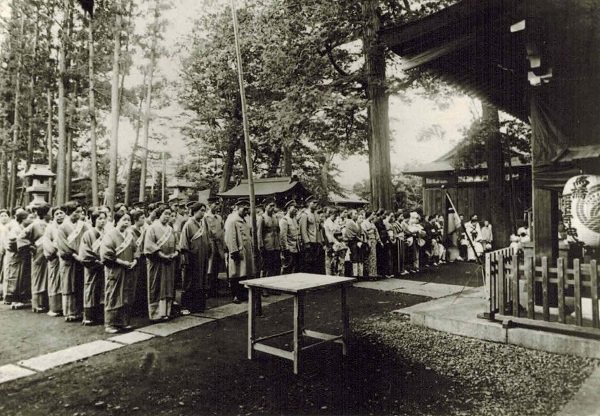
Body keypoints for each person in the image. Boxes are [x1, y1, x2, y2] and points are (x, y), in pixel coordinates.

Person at [100, 210, 138, 333]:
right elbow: (106, 254)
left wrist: (135, 261)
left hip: (128, 270)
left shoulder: (130, 235)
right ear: (117, 221)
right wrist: (121, 262)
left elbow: (136, 249)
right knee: (114, 294)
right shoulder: (110, 235)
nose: (127, 222)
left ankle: (124, 322)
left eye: (128, 220)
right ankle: (110, 324)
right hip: (115, 269)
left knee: (126, 294)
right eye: (124, 220)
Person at [144, 205, 178, 321]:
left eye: (169, 214)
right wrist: (161, 255)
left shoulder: (170, 228)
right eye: (165, 214)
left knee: (168, 286)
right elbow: (149, 245)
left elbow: (177, 243)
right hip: (157, 262)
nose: (168, 216)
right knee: (157, 285)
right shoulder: (152, 228)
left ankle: (167, 312)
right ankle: (156, 314)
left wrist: (176, 252)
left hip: (169, 262)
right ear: (159, 214)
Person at [56, 201, 89, 322]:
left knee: (80, 283)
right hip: (70, 260)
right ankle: (70, 312)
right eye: (77, 212)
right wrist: (75, 255)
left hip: (82, 259)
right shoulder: (62, 228)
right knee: (69, 284)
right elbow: (62, 245)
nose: (79, 214)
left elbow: (88, 239)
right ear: (69, 213)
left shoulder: (84, 225)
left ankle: (80, 310)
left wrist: (85, 254)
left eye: (80, 212)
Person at [179, 202, 211, 314]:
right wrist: (185, 257)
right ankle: (186, 306)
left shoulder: (203, 223)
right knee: (190, 280)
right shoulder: (188, 224)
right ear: (195, 211)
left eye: (204, 210)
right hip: (192, 256)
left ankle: (199, 305)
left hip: (203, 256)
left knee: (201, 280)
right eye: (201, 210)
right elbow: (183, 243)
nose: (203, 213)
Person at [79, 209, 107, 325]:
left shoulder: (107, 233)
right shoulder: (88, 234)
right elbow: (84, 252)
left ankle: (101, 314)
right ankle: (89, 316)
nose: (102, 221)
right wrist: (96, 260)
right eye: (99, 218)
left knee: (103, 289)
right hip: (93, 266)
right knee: (91, 288)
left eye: (104, 218)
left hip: (105, 265)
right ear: (94, 220)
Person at [22, 204, 51, 313]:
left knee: (46, 276)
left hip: (47, 253)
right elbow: (21, 237)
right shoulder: (34, 225)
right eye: (49, 212)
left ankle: (45, 302)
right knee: (38, 276)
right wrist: (30, 246)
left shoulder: (49, 224)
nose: (50, 214)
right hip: (38, 254)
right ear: (45, 213)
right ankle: (36, 304)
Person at [224, 198, 253, 303]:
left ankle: (242, 294)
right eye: (244, 209)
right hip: (237, 252)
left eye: (247, 209)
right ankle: (235, 295)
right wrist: (234, 252)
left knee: (243, 273)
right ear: (237, 208)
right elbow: (230, 238)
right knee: (235, 274)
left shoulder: (244, 219)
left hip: (246, 251)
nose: (246, 211)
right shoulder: (232, 220)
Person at [4, 209, 34, 309]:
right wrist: (27, 245)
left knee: (23, 278)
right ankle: (14, 299)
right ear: (23, 219)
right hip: (16, 257)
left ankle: (22, 298)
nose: (31, 220)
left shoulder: (26, 228)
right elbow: (11, 243)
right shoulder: (15, 229)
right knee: (15, 278)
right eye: (30, 218)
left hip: (24, 257)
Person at [43, 207, 65, 316]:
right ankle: (54, 308)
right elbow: (46, 241)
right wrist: (55, 251)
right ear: (53, 216)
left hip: (65, 258)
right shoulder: (50, 228)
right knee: (54, 281)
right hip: (55, 258)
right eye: (57, 213)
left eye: (62, 213)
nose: (60, 215)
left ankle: (64, 307)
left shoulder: (67, 226)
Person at [204, 197, 225, 298]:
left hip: (218, 244)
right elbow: (205, 233)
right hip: (210, 243)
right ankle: (207, 290)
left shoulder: (219, 217)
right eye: (215, 204)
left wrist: (223, 244)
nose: (217, 206)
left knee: (216, 266)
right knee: (209, 267)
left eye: (218, 204)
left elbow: (222, 231)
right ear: (209, 205)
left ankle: (214, 289)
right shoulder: (205, 217)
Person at [128, 208, 147, 316]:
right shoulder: (131, 231)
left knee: (142, 282)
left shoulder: (143, 230)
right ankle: (134, 307)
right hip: (135, 258)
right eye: (142, 218)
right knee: (135, 282)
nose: (144, 220)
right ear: (136, 219)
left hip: (143, 258)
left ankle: (141, 306)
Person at [257, 198, 280, 279]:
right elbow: (259, 233)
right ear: (265, 206)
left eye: (273, 206)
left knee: (276, 267)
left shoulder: (275, 217)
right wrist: (261, 246)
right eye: (270, 206)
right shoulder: (262, 218)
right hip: (267, 247)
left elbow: (278, 232)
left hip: (276, 247)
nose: (272, 208)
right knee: (266, 268)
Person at [298, 196, 321, 274]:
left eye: (316, 202)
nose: (316, 204)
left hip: (316, 242)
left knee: (315, 262)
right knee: (308, 262)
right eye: (313, 202)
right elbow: (303, 229)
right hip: (309, 242)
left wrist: (320, 241)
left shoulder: (316, 214)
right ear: (308, 203)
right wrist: (306, 242)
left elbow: (318, 229)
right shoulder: (305, 215)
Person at [279, 200, 301, 275]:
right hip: (289, 250)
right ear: (288, 208)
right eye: (294, 207)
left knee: (295, 270)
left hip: (296, 249)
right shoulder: (284, 220)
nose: (296, 210)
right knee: (287, 269)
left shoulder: (294, 220)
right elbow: (283, 236)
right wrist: (285, 249)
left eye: (296, 208)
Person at [343, 209, 365, 278]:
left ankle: (360, 274)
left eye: (356, 213)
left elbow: (361, 232)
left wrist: (361, 240)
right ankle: (355, 275)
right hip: (352, 242)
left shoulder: (358, 223)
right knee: (354, 258)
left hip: (359, 242)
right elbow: (350, 234)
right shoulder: (349, 223)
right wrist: (359, 239)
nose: (356, 215)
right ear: (351, 215)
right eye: (355, 214)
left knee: (360, 257)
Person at [361, 210, 381, 278]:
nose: (374, 216)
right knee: (369, 257)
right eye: (372, 214)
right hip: (368, 240)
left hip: (373, 240)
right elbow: (364, 232)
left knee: (373, 257)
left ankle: (373, 273)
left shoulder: (372, 223)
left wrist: (378, 240)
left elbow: (376, 231)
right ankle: (369, 274)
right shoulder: (364, 223)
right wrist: (367, 240)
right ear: (369, 215)